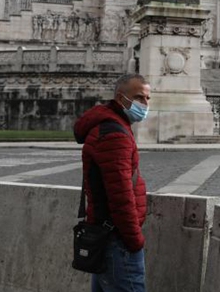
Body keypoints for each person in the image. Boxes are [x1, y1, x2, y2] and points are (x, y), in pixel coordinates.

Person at [74, 74, 150, 292]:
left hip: (108, 235)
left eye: (147, 98)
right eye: (139, 97)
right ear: (120, 98)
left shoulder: (112, 127)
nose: (145, 104)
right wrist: (135, 241)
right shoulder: (114, 134)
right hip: (117, 240)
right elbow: (121, 196)